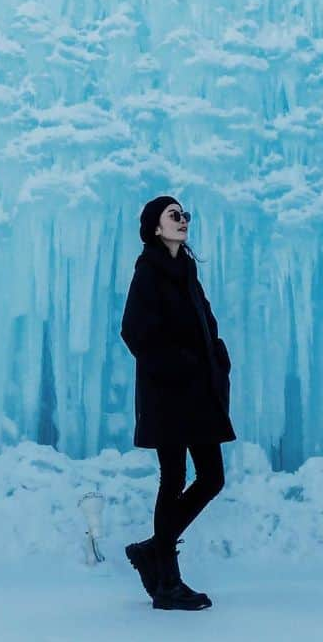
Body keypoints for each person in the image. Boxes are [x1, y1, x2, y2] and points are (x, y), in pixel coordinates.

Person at [120, 194, 236, 611]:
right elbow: (134, 332)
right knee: (173, 478)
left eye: (185, 215)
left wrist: (218, 358)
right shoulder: (148, 271)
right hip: (169, 394)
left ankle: (154, 548)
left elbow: (204, 323)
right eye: (174, 216)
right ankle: (167, 580)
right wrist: (179, 367)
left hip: (198, 393)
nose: (183, 220)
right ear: (155, 227)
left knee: (211, 477)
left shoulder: (186, 270)